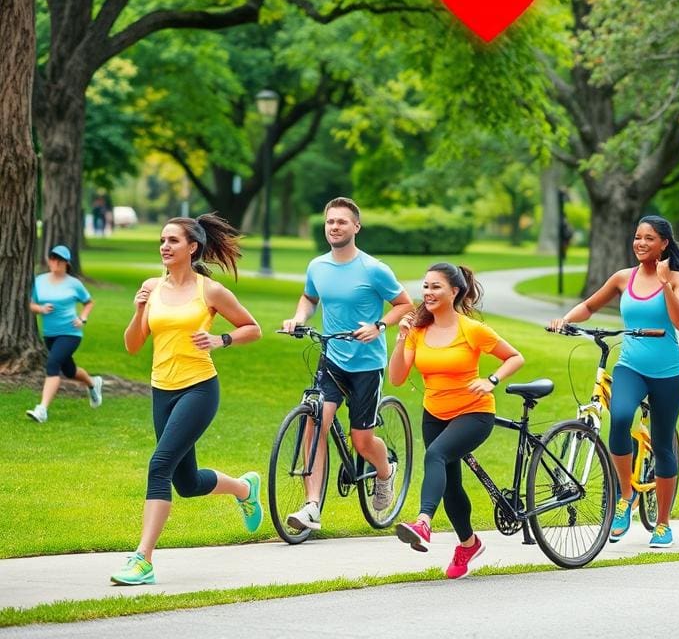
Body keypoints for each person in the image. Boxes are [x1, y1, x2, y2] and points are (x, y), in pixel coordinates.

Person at [112, 214, 263, 586]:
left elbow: (253, 328)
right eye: (162, 240)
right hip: (162, 390)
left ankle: (142, 560)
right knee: (187, 482)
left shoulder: (208, 291)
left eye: (173, 241)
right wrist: (138, 310)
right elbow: (133, 346)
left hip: (199, 388)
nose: (164, 246)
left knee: (159, 464)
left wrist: (221, 340)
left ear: (192, 247)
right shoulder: (151, 287)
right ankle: (245, 488)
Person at [549, 214, 679, 548]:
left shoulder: (676, 279)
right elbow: (590, 306)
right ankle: (626, 495)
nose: (641, 243)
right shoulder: (623, 278)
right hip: (630, 367)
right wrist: (565, 319)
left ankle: (663, 524)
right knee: (619, 419)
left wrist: (664, 283)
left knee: (662, 446)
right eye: (637, 237)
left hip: (668, 375)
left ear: (664, 243)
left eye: (649, 238)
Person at [280, 197, 413, 531]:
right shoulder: (317, 267)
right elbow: (310, 298)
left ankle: (386, 472)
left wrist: (379, 326)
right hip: (332, 358)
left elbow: (405, 304)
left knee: (361, 441)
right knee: (314, 422)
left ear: (356, 227)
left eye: (341, 222)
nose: (334, 227)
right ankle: (311, 506)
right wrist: (298, 318)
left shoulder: (373, 269)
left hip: (367, 364)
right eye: (330, 222)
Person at [390, 263, 524, 579]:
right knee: (450, 487)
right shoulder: (418, 331)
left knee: (435, 455)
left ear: (455, 291)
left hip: (474, 413)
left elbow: (515, 357)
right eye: (425, 286)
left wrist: (491, 379)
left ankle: (423, 522)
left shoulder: (471, 329)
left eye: (436, 286)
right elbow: (396, 378)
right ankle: (469, 543)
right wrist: (401, 338)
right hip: (434, 414)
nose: (428, 292)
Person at [26, 245, 103, 423]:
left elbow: (89, 302)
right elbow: (31, 304)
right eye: (52, 258)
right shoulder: (39, 280)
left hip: (70, 332)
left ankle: (42, 409)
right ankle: (93, 383)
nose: (55, 262)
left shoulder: (74, 283)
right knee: (69, 371)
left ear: (66, 263)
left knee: (52, 364)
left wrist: (82, 318)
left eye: (59, 260)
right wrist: (41, 308)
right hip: (49, 333)